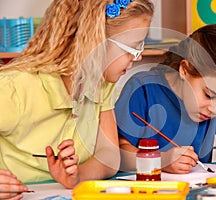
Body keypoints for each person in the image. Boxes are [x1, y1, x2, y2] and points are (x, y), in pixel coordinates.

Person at [0, 0, 153, 198]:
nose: (138, 57)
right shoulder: (15, 88)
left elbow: (108, 156)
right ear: (94, 40)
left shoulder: (101, 82)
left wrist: (77, 176)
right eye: (132, 47)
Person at [115, 24, 216, 175]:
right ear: (185, 70)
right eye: (209, 95)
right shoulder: (143, 89)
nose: (215, 109)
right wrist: (160, 161)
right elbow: (119, 152)